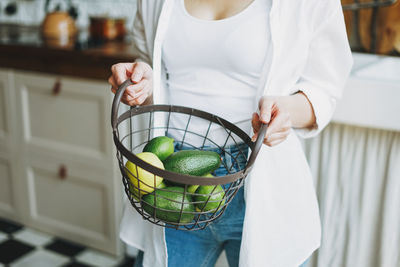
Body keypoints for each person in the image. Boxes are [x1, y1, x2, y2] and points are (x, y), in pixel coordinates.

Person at [108, 0, 353, 266]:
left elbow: (324, 89)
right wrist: (141, 81)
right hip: (170, 178)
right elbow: (154, 66)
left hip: (259, 180)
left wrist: (286, 112)